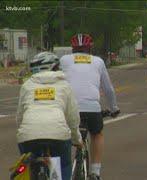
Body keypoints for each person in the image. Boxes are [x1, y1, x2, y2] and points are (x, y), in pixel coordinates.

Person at [60, 33, 120, 180]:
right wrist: (114, 108)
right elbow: (108, 89)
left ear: (72, 49)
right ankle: (95, 172)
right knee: (97, 134)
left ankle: (63, 169)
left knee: (64, 137)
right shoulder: (98, 61)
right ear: (90, 48)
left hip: (69, 108)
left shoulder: (64, 60)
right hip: (92, 109)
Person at [16, 52, 83, 180]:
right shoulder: (64, 85)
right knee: (64, 164)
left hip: (28, 135)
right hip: (58, 135)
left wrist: (23, 132)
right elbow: (72, 119)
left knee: (27, 164)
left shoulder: (27, 86)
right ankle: (56, 176)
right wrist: (77, 140)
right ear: (54, 67)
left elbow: (19, 117)